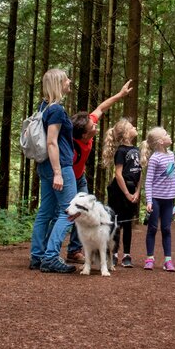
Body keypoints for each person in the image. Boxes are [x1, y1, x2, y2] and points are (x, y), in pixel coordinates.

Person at [63, 81, 134, 264]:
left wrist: (120, 94)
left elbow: (101, 107)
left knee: (83, 211)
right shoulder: (71, 146)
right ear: (85, 135)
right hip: (68, 178)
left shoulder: (87, 126)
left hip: (80, 177)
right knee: (68, 212)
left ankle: (73, 251)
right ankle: (51, 252)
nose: (95, 126)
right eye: (92, 128)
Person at [28, 69, 78, 273]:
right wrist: (58, 172)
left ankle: (37, 256)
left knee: (46, 211)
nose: (69, 81)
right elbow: (51, 142)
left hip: (44, 166)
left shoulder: (43, 107)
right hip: (59, 166)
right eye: (66, 79)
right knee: (69, 211)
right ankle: (50, 257)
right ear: (58, 83)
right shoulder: (56, 110)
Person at [141, 127, 175, 272]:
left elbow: (173, 176)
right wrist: (149, 201)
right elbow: (148, 181)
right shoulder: (154, 158)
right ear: (160, 141)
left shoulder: (171, 155)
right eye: (166, 134)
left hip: (169, 199)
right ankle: (149, 258)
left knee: (166, 229)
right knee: (152, 228)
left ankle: (168, 260)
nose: (169, 135)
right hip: (156, 200)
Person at [101, 118, 142, 267]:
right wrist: (126, 194)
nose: (135, 127)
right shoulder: (121, 151)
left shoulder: (137, 150)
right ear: (125, 133)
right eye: (132, 127)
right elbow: (118, 174)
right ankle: (114, 254)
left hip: (132, 190)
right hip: (119, 191)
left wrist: (137, 191)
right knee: (118, 223)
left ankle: (127, 255)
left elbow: (140, 172)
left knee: (128, 223)